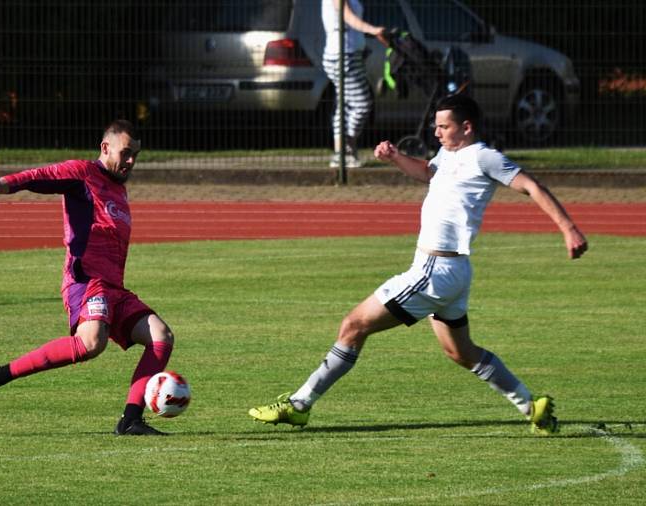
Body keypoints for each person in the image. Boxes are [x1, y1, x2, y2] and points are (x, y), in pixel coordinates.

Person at [249, 94, 588, 435]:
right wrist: (396, 157)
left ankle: (299, 405)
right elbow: (428, 172)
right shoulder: (448, 154)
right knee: (462, 352)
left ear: (466, 127)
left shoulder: (484, 157)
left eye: (444, 126)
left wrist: (569, 228)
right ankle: (531, 406)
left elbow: (531, 186)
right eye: (436, 126)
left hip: (433, 271)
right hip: (453, 272)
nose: (437, 132)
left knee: (353, 325)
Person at [0, 120, 175, 436]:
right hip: (84, 281)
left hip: (114, 288)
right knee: (91, 344)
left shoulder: (118, 190)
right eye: (126, 153)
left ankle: (131, 420)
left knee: (161, 337)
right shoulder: (83, 174)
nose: (131, 161)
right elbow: (34, 178)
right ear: (105, 148)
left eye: (136, 154)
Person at [322, 0, 387, 169]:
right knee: (361, 104)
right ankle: (345, 149)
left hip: (352, 54)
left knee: (345, 105)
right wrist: (372, 30)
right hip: (342, 56)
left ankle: (342, 152)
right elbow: (348, 17)